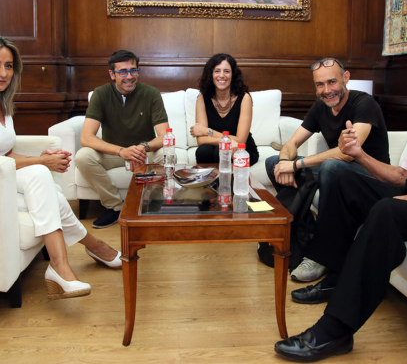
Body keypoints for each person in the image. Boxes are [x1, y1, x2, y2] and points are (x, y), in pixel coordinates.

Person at [274, 43, 407, 362]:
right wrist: (361, 156)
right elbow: (403, 175)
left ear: (344, 79)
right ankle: (334, 275)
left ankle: (336, 329)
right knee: (344, 178)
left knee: (386, 211)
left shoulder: (364, 104)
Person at [0, 36, 121, 300]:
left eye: (8, 66)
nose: (3, 73)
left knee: (45, 188)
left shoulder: (3, 105)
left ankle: (67, 261)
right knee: (40, 175)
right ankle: (75, 256)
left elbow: (5, 154)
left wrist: (39, 157)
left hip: (5, 176)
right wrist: (40, 162)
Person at [265, 57, 389, 282]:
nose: (327, 90)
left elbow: (348, 153)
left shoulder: (364, 103)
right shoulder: (320, 107)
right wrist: (285, 163)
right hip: (338, 172)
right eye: (320, 84)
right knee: (273, 162)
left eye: (332, 82)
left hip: (372, 179)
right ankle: (310, 236)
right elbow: (291, 144)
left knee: (332, 166)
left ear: (346, 78)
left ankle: (322, 255)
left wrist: (296, 164)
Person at [76, 50, 169, 229]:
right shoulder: (101, 94)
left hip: (143, 153)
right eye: (123, 72)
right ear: (112, 74)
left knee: (166, 154)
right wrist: (121, 151)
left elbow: (165, 136)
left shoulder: (151, 93)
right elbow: (86, 137)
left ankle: (152, 206)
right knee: (83, 156)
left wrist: (143, 147)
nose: (129, 76)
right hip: (114, 153)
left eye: (133, 70)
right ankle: (115, 208)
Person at [190, 53, 259, 166]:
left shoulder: (244, 98)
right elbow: (201, 141)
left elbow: (240, 140)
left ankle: (225, 184)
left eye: (226, 71)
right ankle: (206, 183)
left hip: (242, 150)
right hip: (216, 147)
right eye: (217, 71)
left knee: (221, 151)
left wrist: (207, 131)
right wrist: (227, 141)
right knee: (203, 150)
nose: (221, 75)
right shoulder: (202, 98)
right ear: (211, 74)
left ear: (233, 75)